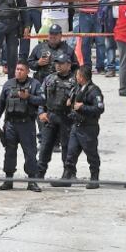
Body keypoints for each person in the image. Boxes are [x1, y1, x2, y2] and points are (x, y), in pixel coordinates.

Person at [0, 60, 44, 192]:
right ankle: (8, 180)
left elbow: (42, 100)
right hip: (11, 125)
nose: (18, 72)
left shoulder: (35, 84)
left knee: (30, 153)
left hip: (27, 125)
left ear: (27, 71)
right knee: (9, 152)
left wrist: (28, 97)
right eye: (17, 69)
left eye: (21, 70)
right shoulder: (8, 84)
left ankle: (32, 181)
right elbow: (1, 104)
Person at [58, 66, 105, 188]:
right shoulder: (77, 88)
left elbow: (99, 108)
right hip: (76, 126)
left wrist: (83, 107)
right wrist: (68, 102)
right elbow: (70, 102)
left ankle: (94, 179)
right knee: (70, 154)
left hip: (88, 127)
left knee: (91, 154)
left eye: (77, 75)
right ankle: (66, 178)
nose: (76, 77)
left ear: (82, 77)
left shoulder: (94, 91)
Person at [37, 52, 78, 181]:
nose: (58, 66)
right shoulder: (49, 79)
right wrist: (41, 112)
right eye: (56, 63)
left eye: (61, 63)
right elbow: (41, 97)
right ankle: (39, 173)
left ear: (69, 65)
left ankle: (69, 174)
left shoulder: (75, 81)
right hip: (50, 116)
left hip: (67, 118)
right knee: (45, 146)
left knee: (67, 147)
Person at [74, 0, 109, 73]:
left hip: (99, 14)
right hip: (84, 14)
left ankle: (100, 66)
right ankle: (87, 66)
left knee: (100, 41)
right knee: (85, 42)